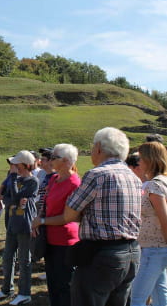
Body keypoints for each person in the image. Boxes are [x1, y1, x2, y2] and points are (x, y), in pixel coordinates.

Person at [64, 127, 142, 306]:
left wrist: (85, 213)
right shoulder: (134, 177)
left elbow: (69, 213)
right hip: (131, 252)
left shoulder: (96, 175)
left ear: (98, 148)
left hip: (101, 254)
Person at [32, 144, 81, 306]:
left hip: (65, 241)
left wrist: (42, 221)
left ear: (66, 161)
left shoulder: (74, 183)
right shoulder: (53, 178)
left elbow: (69, 217)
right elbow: (45, 203)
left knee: (64, 285)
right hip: (50, 238)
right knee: (52, 283)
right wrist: (38, 221)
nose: (50, 160)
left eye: (54, 157)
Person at [0, 150, 39, 306]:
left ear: (24, 165)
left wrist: (12, 191)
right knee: (8, 257)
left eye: (16, 164)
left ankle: (24, 293)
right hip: (12, 222)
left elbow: (15, 197)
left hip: (25, 223)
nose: (13, 166)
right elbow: (7, 197)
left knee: (24, 260)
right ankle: (6, 289)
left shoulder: (33, 181)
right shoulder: (15, 179)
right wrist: (11, 197)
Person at [131, 141, 167, 306]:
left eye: (141, 158)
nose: (139, 162)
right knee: (160, 295)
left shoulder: (154, 185)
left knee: (137, 297)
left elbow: (164, 218)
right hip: (155, 248)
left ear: (150, 160)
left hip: (153, 249)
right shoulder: (162, 181)